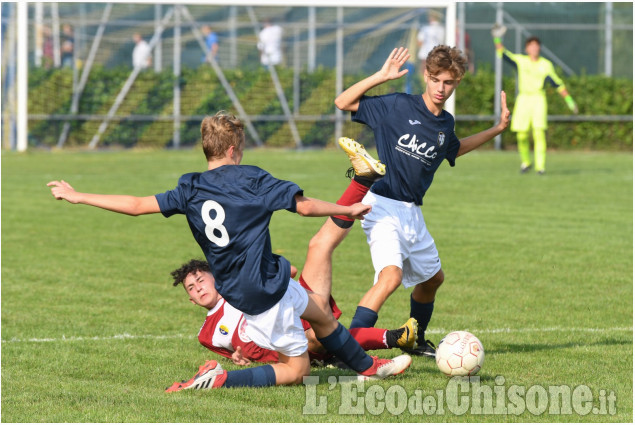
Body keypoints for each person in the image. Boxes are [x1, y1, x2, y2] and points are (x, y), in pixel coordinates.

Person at [47, 112, 412, 391]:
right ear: (234, 149)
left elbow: (138, 204)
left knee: (321, 315)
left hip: (251, 283)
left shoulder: (189, 188)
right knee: (296, 370)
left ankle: (368, 367)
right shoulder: (249, 178)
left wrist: (79, 196)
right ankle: (221, 380)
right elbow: (302, 206)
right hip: (263, 291)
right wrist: (345, 209)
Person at [334, 46, 510, 358]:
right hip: (382, 205)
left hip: (412, 212)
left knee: (433, 280)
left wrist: (496, 130)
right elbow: (343, 102)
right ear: (426, 77)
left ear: (456, 83)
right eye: (437, 80)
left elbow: (452, 150)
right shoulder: (397, 106)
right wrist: (381, 76)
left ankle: (416, 338)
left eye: (449, 83)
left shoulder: (445, 123)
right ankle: (346, 349)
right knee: (391, 277)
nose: (442, 88)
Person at [167, 259, 417, 371]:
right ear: (191, 299)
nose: (198, 288)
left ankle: (395, 337)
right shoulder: (206, 336)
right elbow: (235, 355)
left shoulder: (238, 287)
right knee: (320, 339)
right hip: (280, 352)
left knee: (317, 333)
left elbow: (291, 272)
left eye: (200, 280)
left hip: (292, 318)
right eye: (192, 287)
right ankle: (394, 337)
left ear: (216, 280)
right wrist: (239, 359)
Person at [491, 24, 578, 174]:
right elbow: (502, 53)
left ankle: (540, 167)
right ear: (527, 49)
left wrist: (570, 101)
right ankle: (525, 162)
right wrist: (497, 38)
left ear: (539, 48)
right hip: (523, 99)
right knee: (522, 134)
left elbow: (557, 83)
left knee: (539, 133)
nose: (534, 49)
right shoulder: (521, 61)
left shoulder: (546, 65)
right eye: (531, 46)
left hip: (538, 99)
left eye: (537, 46)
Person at [417, 10, 445, 75]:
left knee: (425, 69)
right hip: (436, 53)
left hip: (429, 53)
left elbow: (419, 42)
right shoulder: (441, 29)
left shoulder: (425, 28)